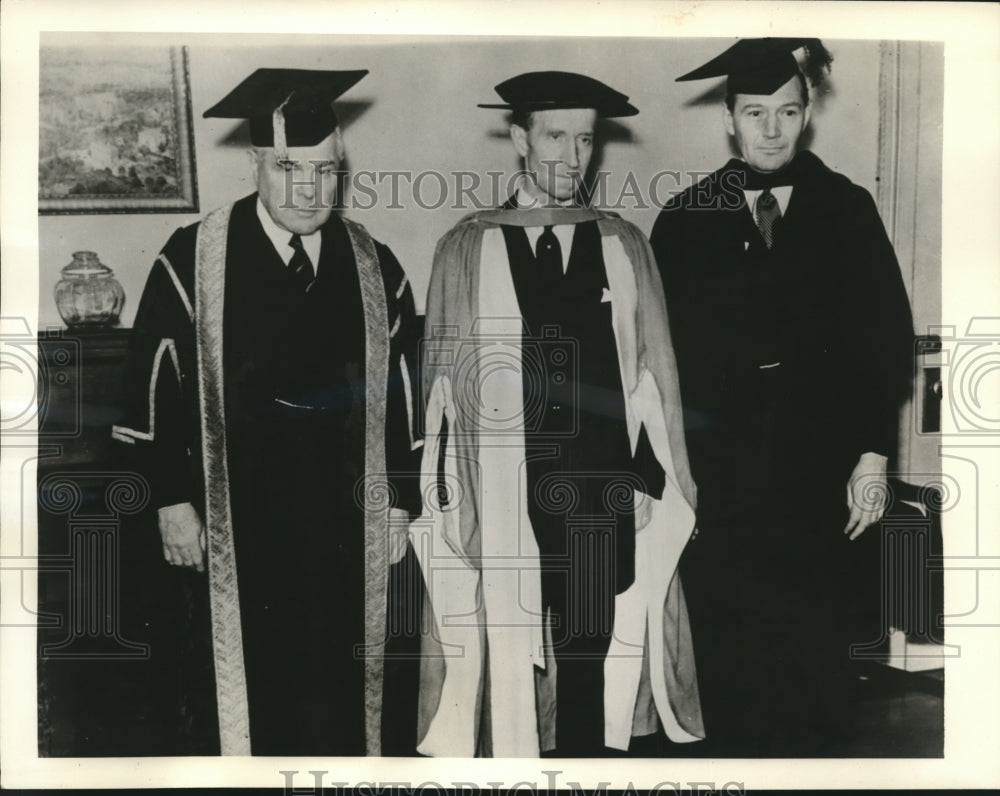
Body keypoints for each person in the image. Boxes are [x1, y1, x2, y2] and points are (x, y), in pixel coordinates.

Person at [113, 68, 424, 756]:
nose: (311, 189)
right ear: (256, 163)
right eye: (289, 168)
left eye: (327, 169)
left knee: (344, 684)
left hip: (345, 523)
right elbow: (152, 386)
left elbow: (406, 388)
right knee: (235, 692)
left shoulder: (375, 264)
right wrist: (170, 500)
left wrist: (400, 501)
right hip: (232, 525)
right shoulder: (193, 258)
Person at [414, 71, 703, 758]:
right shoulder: (467, 246)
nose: (572, 157)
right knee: (509, 648)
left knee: (591, 648)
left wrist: (647, 476)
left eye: (585, 139)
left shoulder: (622, 246)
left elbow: (651, 378)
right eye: (554, 137)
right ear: (519, 138)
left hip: (601, 490)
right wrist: (454, 498)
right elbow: (442, 389)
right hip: (504, 488)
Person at [649, 39, 915, 755]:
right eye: (755, 112)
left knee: (816, 658)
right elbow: (657, 359)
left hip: (818, 473)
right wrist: (676, 473)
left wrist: (870, 457)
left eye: (787, 112)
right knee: (731, 660)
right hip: (722, 476)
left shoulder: (847, 210)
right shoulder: (685, 218)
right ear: (731, 120)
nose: (771, 129)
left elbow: (884, 342)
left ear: (806, 118)